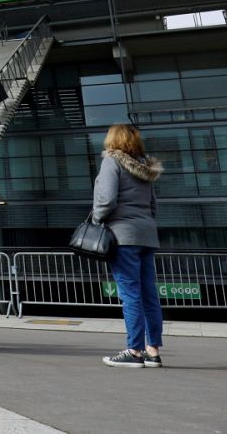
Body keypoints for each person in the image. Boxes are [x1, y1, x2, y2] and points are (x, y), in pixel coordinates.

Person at [94, 124, 164, 369]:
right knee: (148, 294)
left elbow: (107, 198)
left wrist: (96, 218)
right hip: (147, 234)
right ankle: (152, 350)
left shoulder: (112, 162)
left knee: (130, 294)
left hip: (123, 235)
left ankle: (134, 351)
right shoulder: (145, 167)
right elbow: (153, 204)